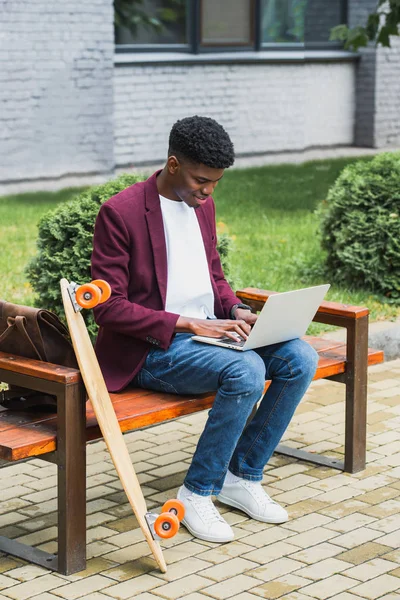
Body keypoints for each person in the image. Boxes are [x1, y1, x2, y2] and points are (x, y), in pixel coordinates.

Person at [91, 115, 319, 543]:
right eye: (201, 180)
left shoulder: (202, 206)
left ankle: (241, 476)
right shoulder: (120, 213)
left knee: (299, 357)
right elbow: (107, 307)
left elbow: (213, 274)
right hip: (153, 349)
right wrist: (188, 322)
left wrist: (235, 308)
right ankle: (196, 494)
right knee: (246, 370)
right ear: (173, 165)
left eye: (215, 182)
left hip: (210, 334)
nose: (208, 191)